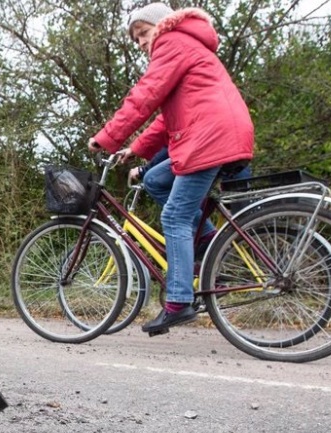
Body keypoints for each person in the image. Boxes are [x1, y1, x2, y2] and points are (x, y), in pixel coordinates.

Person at [89, 2, 254, 334]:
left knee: (175, 216)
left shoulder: (172, 41)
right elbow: (166, 119)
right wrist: (134, 150)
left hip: (209, 136)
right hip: (218, 131)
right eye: (135, 39)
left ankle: (178, 301)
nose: (139, 43)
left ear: (161, 25)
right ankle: (207, 240)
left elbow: (144, 97)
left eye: (142, 34)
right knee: (156, 180)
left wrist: (105, 138)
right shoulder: (187, 45)